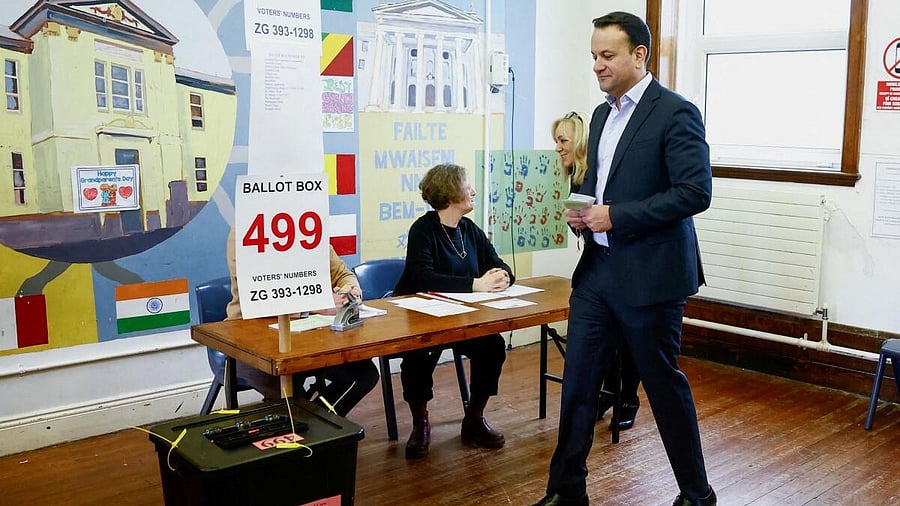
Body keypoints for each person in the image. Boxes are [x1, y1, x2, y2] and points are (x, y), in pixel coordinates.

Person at [534, 12, 716, 506]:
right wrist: (582, 208)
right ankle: (566, 491)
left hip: (651, 275)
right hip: (598, 272)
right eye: (593, 56)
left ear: (640, 55)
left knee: (661, 385)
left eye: (607, 55)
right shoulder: (600, 115)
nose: (597, 65)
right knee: (578, 386)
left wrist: (616, 216)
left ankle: (697, 495)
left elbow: (695, 193)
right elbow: (599, 186)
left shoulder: (675, 112)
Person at [393, 163, 514, 459]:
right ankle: (420, 422)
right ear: (449, 194)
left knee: (493, 347)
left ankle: (474, 417)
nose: (473, 191)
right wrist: (475, 285)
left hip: (463, 321)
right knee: (418, 355)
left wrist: (504, 277)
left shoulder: (469, 230)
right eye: (467, 186)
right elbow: (423, 278)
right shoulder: (423, 230)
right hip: (422, 320)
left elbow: (498, 263)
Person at [224, 228, 379, 417]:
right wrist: (317, 304)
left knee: (363, 374)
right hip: (252, 338)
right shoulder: (245, 228)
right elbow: (258, 296)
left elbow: (341, 272)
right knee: (289, 391)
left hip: (311, 337)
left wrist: (351, 292)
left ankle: (319, 424)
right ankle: (311, 425)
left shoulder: (308, 224)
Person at [553, 111, 643, 430]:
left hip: (628, 262)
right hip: (598, 262)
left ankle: (628, 398)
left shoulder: (594, 169)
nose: (558, 148)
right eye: (556, 142)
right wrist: (578, 223)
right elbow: (590, 228)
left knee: (627, 338)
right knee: (602, 337)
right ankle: (606, 394)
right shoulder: (575, 176)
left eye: (563, 140)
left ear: (580, 142)